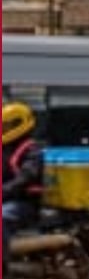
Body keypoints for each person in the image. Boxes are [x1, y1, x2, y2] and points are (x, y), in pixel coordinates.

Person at [2, 102, 47, 259]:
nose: (4, 130)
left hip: (25, 203)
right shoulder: (5, 149)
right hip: (8, 199)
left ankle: (3, 268)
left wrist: (4, 191)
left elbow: (26, 177)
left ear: (20, 124)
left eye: (7, 126)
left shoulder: (32, 151)